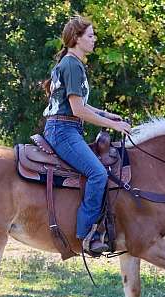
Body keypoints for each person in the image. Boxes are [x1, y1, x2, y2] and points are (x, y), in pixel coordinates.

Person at [42, 15, 131, 254]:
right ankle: (86, 234)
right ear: (76, 38)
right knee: (98, 174)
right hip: (62, 130)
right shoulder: (71, 65)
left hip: (67, 127)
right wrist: (114, 127)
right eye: (90, 35)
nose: (94, 39)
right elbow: (77, 109)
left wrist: (108, 115)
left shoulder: (75, 64)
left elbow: (83, 106)